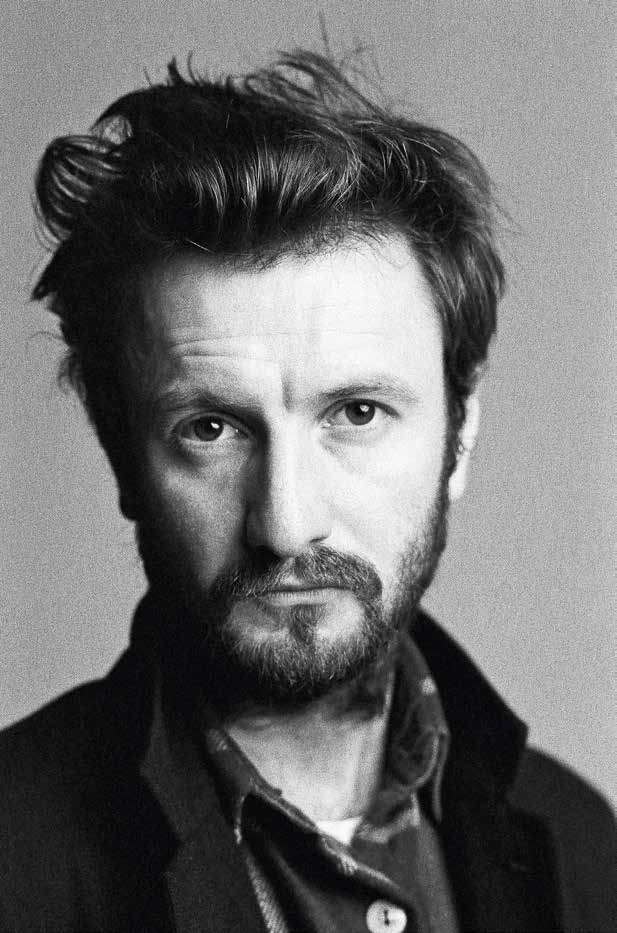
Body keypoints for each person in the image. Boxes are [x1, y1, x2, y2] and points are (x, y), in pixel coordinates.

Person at [0, 50, 614, 933]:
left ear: (459, 433)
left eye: (356, 413)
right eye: (211, 428)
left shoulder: (580, 846)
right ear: (118, 450)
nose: (286, 523)